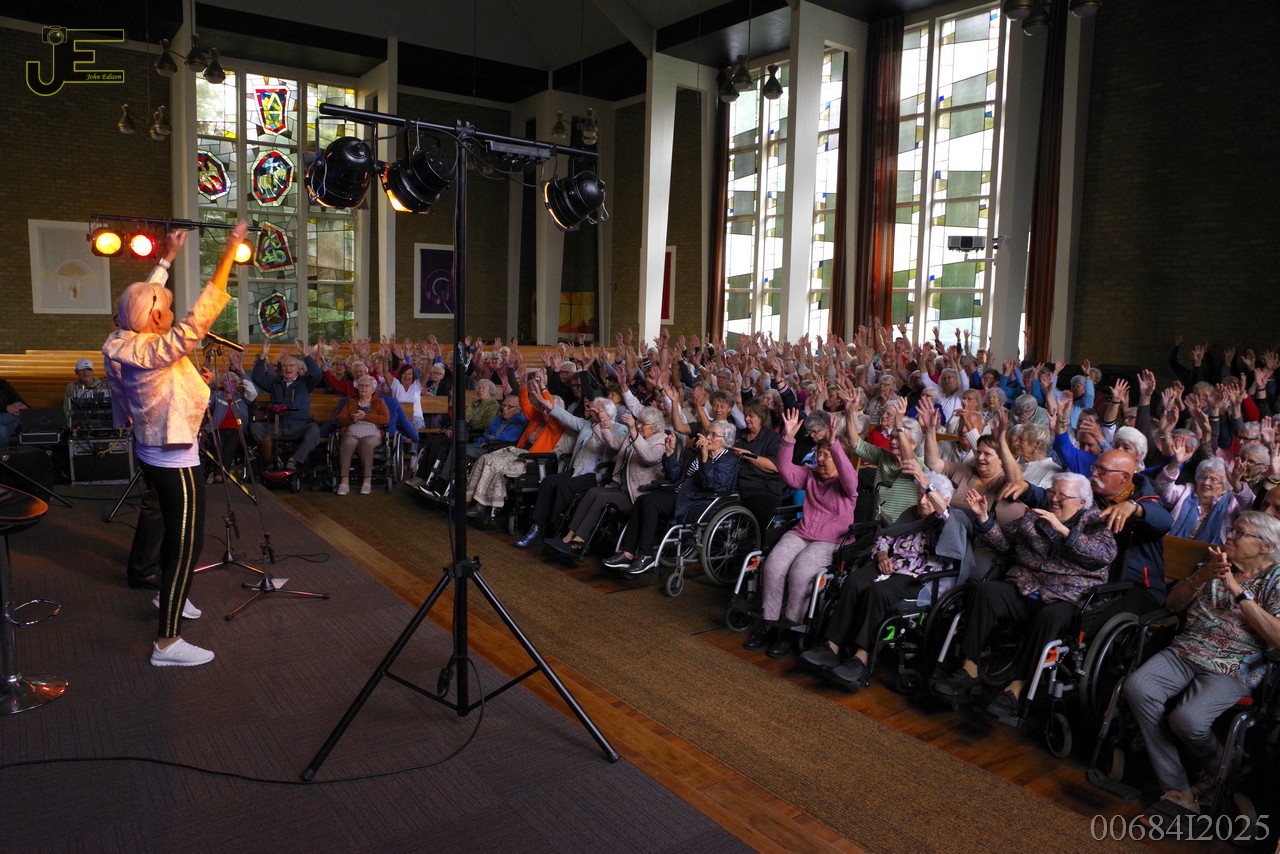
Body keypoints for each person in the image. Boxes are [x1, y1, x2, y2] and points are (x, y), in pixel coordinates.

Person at [102, 222, 248, 667]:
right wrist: (229, 253)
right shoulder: (154, 349)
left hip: (153, 449)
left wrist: (166, 259)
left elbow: (142, 300)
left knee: (171, 530)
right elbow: (199, 318)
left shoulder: (123, 340)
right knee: (187, 544)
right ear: (154, 319)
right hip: (175, 459)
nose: (169, 311)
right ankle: (167, 642)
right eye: (164, 309)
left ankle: (170, 596)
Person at [1125, 512, 1280, 818]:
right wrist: (1203, 576)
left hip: (1237, 661)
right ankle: (1178, 788)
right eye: (1232, 530)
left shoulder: (1275, 580)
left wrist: (1237, 590)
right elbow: (1172, 605)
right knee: (1137, 687)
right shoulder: (1214, 563)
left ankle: (1221, 770)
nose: (1229, 536)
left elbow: (1277, 637)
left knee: (1188, 720)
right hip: (1188, 647)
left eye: (1240, 533)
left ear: (1266, 546)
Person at [932, 473, 1117, 718]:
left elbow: (1103, 555)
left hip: (1066, 597)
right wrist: (984, 518)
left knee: (1050, 617)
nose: (1054, 499)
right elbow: (1005, 543)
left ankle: (1017, 688)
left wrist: (1064, 531)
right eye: (1052, 492)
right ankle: (970, 669)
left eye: (1062, 495)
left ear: (1081, 503)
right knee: (984, 591)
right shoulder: (1034, 515)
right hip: (1025, 586)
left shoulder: (1097, 524)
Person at [799, 470, 976, 687]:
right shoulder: (911, 514)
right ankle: (831, 647)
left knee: (879, 592)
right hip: (892, 566)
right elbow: (885, 537)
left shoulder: (953, 520)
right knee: (854, 581)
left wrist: (927, 486)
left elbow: (946, 518)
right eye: (919, 495)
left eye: (928, 497)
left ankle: (861, 658)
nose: (922, 501)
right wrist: (882, 555)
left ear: (945, 499)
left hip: (921, 577)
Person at [744, 408, 859, 658]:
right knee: (773, 565)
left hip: (832, 539)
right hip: (803, 532)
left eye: (827, 455)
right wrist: (788, 439)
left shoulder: (846, 484)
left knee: (801, 572)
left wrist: (833, 445)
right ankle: (768, 620)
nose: (821, 459)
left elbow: (850, 478)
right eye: (819, 454)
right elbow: (785, 470)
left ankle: (789, 627)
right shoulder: (811, 476)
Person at [547, 406, 666, 556]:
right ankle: (568, 536)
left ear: (654, 427)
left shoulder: (660, 442)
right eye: (638, 422)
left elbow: (649, 457)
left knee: (603, 498)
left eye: (643, 424)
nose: (639, 426)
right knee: (592, 492)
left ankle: (579, 542)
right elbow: (613, 442)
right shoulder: (636, 435)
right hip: (621, 486)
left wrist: (633, 431)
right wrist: (600, 421)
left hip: (636, 494)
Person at [250, 340, 324, 472]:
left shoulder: (305, 383)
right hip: (278, 425)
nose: (287, 368)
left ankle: (294, 460)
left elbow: (317, 374)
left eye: (291, 365)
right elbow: (257, 377)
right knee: (255, 427)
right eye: (284, 366)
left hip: (298, 425)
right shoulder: (275, 383)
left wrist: (306, 355)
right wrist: (263, 356)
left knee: (314, 430)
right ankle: (274, 458)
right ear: (280, 369)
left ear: (297, 369)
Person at [206, 349, 257, 483]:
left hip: (237, 430)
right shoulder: (216, 395)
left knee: (231, 444)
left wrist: (242, 373)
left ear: (237, 384)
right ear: (222, 383)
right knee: (217, 443)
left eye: (233, 382)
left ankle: (218, 474)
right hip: (217, 428)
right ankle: (222, 474)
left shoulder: (242, 397)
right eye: (226, 381)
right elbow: (204, 400)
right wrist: (210, 383)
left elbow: (253, 392)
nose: (229, 384)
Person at [334, 375, 389, 495]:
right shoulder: (351, 402)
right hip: (353, 431)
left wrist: (365, 417)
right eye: (361, 385)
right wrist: (351, 419)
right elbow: (339, 419)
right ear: (357, 388)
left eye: (367, 386)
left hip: (372, 432)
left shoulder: (379, 402)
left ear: (372, 389)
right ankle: (344, 481)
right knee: (347, 443)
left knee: (366, 444)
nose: (364, 388)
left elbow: (385, 419)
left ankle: (367, 481)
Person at [0, 376, 28, 448]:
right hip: (5, 416)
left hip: (9, 418)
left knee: (2, 430)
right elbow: (6, 408)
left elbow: (16, 398)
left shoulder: (2, 383)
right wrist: (6, 408)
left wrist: (20, 406)